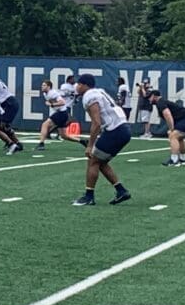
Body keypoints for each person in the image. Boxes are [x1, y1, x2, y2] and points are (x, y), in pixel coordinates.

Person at [71, 73, 132, 207]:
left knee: (93, 160)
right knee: (101, 161)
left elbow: (97, 123)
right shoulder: (99, 92)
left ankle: (89, 196)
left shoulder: (90, 96)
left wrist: (90, 145)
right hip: (122, 128)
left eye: (79, 84)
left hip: (115, 130)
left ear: (85, 85)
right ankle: (121, 191)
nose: (77, 86)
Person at [149, 90, 185, 167]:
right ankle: (183, 159)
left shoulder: (160, 102)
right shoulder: (162, 102)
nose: (149, 99)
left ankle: (174, 160)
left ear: (154, 96)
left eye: (150, 97)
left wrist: (171, 129)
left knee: (173, 135)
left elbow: (167, 114)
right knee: (179, 137)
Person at [35, 79, 81, 150]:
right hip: (61, 113)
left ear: (49, 87)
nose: (42, 87)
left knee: (45, 124)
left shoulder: (53, 93)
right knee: (64, 135)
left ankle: (41, 144)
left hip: (62, 113)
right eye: (42, 85)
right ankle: (82, 141)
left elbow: (62, 102)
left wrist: (52, 104)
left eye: (44, 85)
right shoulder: (45, 93)